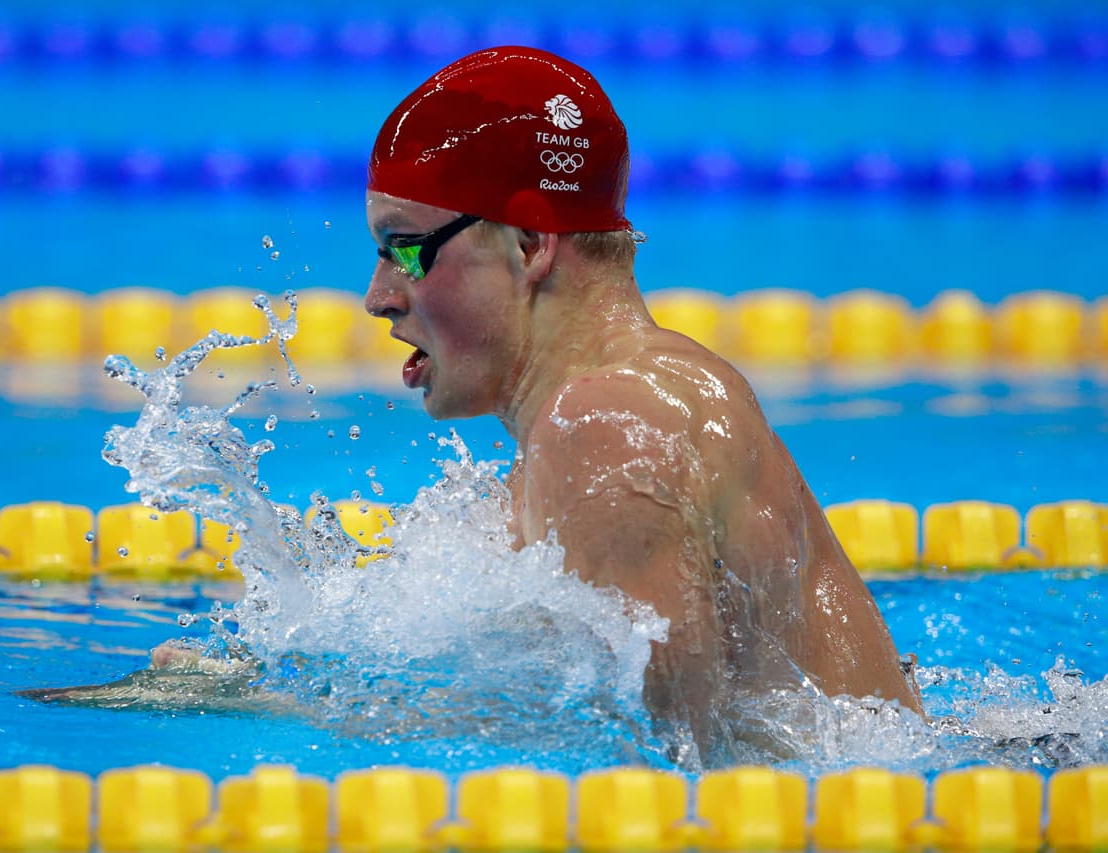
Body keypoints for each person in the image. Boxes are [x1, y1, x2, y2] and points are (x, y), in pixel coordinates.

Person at [363, 45, 922, 763]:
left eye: (405, 249)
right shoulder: (635, 401)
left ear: (530, 244)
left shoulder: (604, 425)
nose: (378, 295)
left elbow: (659, 768)